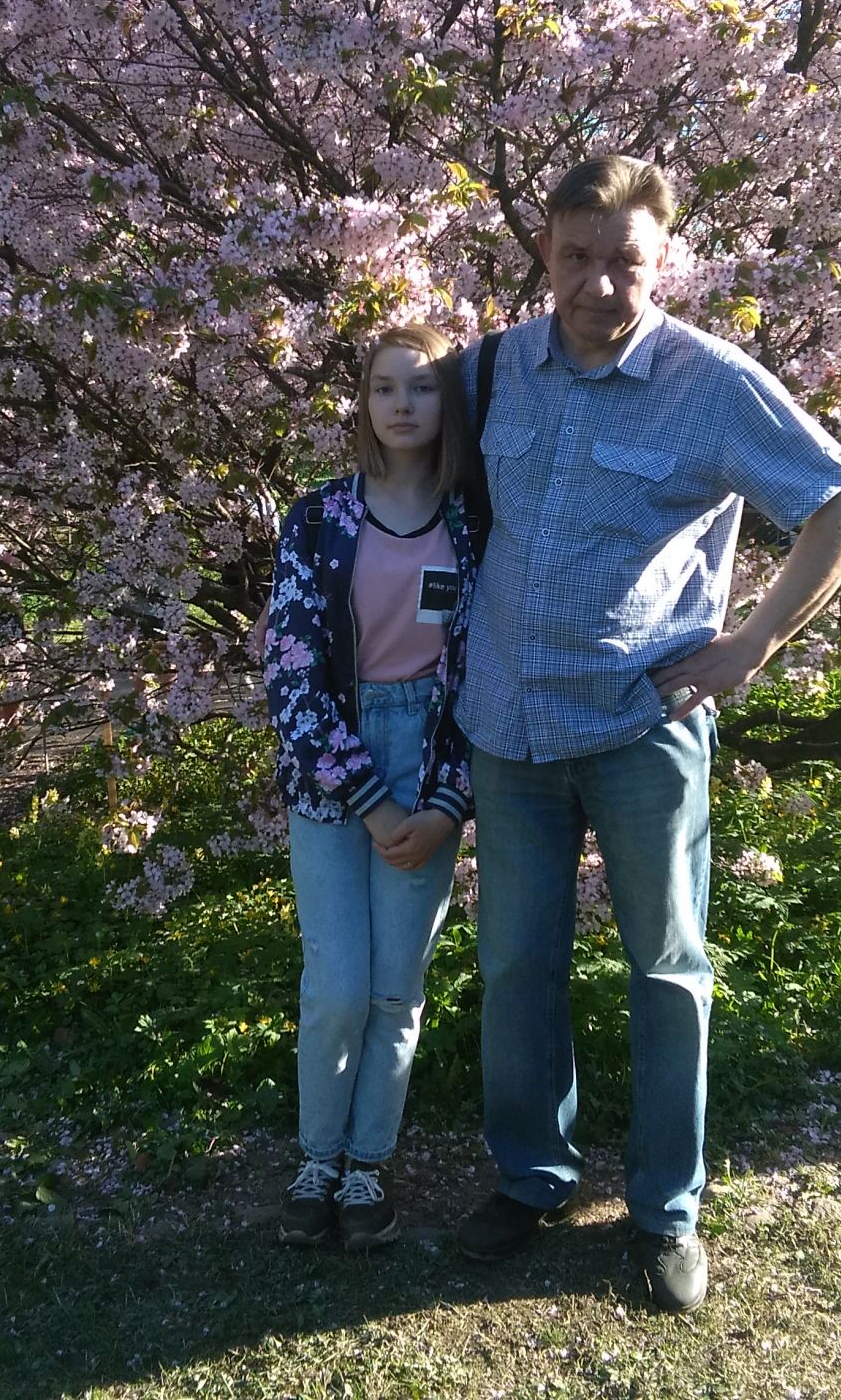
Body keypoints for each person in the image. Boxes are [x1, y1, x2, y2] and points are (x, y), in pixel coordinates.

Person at [452, 156, 841, 1311]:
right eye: (577, 257)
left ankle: (663, 1212)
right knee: (515, 965)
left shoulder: (709, 383)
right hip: (507, 726)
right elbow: (395, 455)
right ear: (543, 252)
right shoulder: (496, 369)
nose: (599, 284)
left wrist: (753, 644)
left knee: (665, 969)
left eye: (625, 262)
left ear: (662, 261)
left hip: (639, 725)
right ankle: (531, 1177)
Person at [262, 323, 479, 1251]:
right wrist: (371, 799)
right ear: (363, 403)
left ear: (445, 404)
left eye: (422, 387)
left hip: (428, 764)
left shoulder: (473, 524)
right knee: (337, 986)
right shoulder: (319, 519)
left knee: (396, 989)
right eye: (386, 387)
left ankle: (366, 1169)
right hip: (333, 770)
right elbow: (291, 669)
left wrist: (446, 802)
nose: (403, 405)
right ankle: (317, 1158)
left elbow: (486, 672)